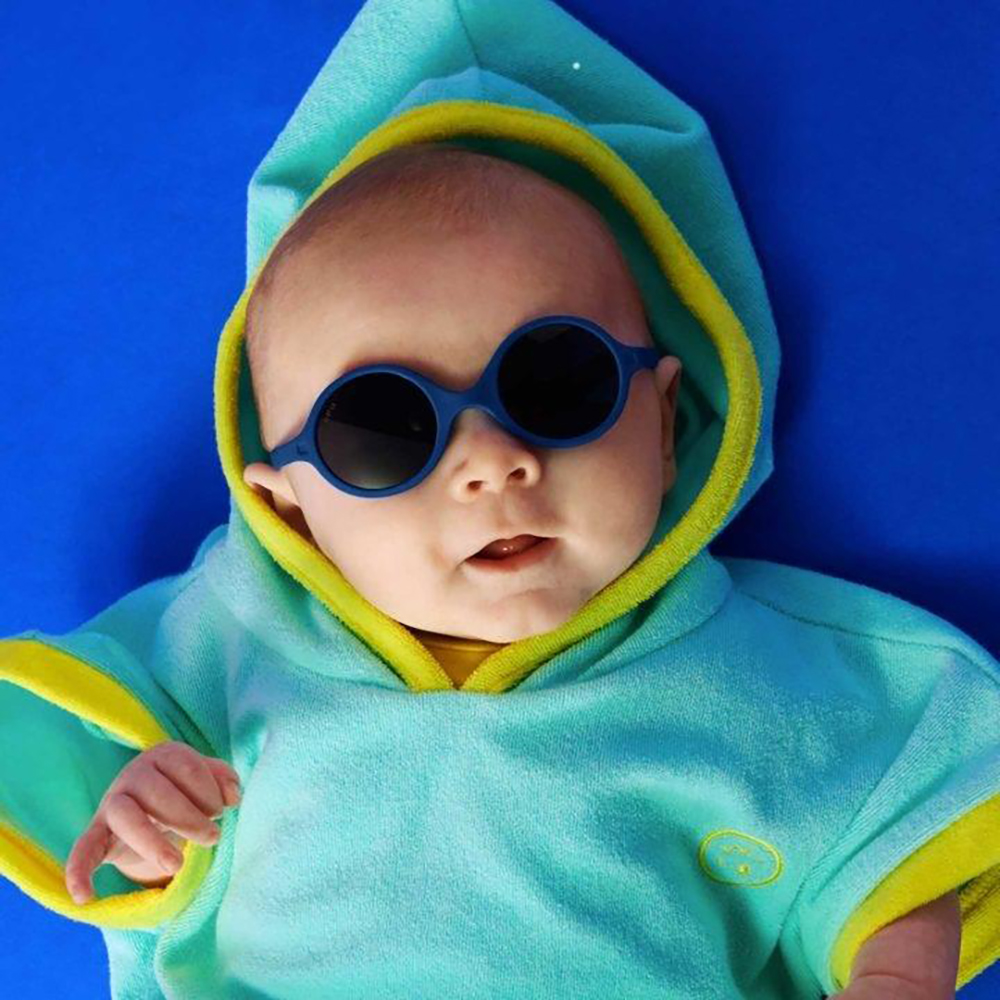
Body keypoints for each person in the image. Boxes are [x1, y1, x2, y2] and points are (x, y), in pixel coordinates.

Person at [1, 0, 995, 997]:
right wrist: (140, 813)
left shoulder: (771, 674)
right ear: (289, 506)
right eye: (383, 430)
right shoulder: (222, 646)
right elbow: (80, 768)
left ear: (665, 418)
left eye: (557, 384)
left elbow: (903, 828)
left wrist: (898, 972)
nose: (492, 461)